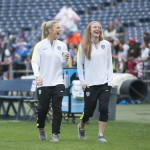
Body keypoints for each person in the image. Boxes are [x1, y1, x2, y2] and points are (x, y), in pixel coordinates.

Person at [31, 20, 69, 142]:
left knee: (57, 109)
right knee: (43, 109)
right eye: (58, 28)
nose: (60, 30)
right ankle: (41, 127)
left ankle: (54, 134)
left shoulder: (63, 45)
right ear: (50, 30)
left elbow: (64, 63)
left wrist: (66, 59)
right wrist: (37, 76)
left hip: (58, 82)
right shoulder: (40, 46)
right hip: (44, 83)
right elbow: (34, 62)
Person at [77, 21, 113, 142]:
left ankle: (100, 136)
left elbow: (109, 64)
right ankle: (81, 127)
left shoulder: (106, 44)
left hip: (104, 84)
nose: (97, 29)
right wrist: (83, 82)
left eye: (99, 27)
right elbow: (79, 66)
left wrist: (110, 81)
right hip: (90, 84)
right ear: (90, 30)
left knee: (104, 109)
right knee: (88, 112)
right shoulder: (83, 45)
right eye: (95, 27)